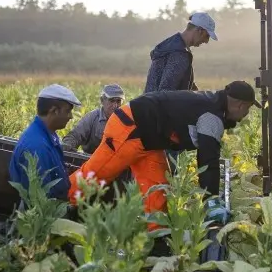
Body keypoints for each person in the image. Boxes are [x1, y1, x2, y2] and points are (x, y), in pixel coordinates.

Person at [67, 80, 259, 229]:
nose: (246, 115)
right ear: (241, 105)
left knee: (158, 189)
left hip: (149, 141)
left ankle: (156, 235)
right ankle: (60, 204)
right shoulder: (212, 117)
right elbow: (208, 159)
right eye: (248, 109)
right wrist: (211, 200)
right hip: (129, 128)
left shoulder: (212, 105)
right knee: (95, 175)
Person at [9, 84, 81, 204]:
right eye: (68, 111)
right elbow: (40, 200)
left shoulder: (47, 134)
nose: (71, 116)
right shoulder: (37, 147)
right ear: (54, 111)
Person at [143, 12, 218, 94]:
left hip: (150, 104)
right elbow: (165, 92)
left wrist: (200, 96)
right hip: (158, 106)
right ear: (199, 31)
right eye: (207, 36)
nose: (206, 41)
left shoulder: (171, 47)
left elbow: (178, 80)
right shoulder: (178, 54)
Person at [62, 84, 125, 154]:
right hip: (90, 160)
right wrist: (67, 146)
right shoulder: (92, 117)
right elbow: (74, 136)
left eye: (118, 101)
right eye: (112, 101)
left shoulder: (126, 120)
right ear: (102, 100)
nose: (115, 105)